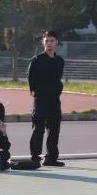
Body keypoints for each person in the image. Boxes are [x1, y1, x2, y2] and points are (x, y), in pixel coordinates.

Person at [28, 30, 65, 167]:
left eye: (52, 40)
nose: (49, 43)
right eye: (47, 40)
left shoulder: (60, 61)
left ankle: (51, 158)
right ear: (43, 42)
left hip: (54, 100)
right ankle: (35, 158)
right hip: (41, 99)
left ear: (56, 42)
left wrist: (58, 89)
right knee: (38, 129)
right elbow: (30, 77)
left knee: (54, 129)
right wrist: (35, 91)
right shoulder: (37, 60)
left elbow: (58, 79)